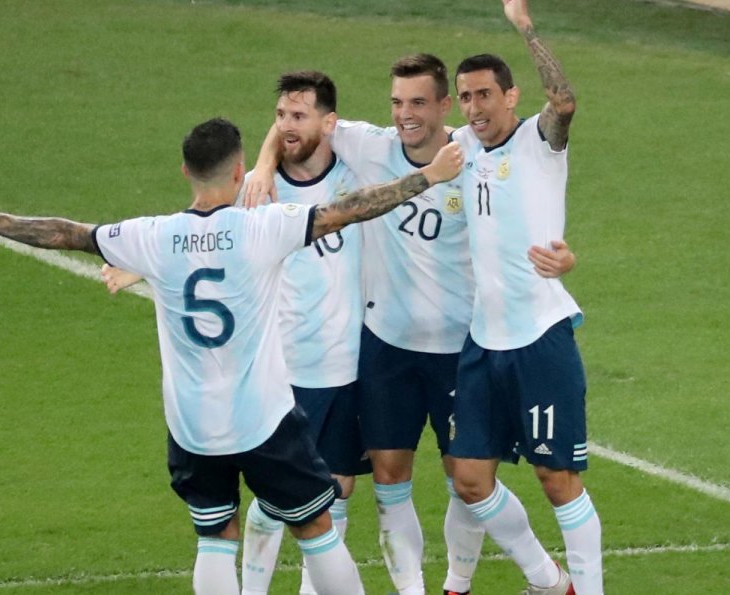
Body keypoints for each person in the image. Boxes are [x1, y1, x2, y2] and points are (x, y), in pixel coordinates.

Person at [0, 117, 464, 595]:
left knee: (216, 537)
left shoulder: (151, 236)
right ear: (240, 172)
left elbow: (66, 233)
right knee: (316, 529)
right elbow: (350, 209)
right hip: (262, 421)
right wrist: (428, 176)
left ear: (185, 171)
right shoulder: (262, 227)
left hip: (192, 426)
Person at [244, 53, 575, 595]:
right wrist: (262, 166)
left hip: (461, 347)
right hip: (386, 348)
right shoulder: (371, 146)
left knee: (468, 482)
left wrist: (563, 258)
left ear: (445, 106)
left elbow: (523, 211)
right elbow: (298, 120)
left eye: (418, 102)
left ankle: (536, 578)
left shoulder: (472, 151)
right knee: (388, 481)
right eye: (397, 102)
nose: (405, 114)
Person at [103, 72, 374, 595]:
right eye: (280, 117)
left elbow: (190, 240)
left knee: (310, 502)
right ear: (239, 168)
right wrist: (429, 176)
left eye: (298, 116)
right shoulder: (258, 197)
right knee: (309, 521)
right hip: (276, 379)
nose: (287, 125)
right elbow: (212, 239)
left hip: (330, 367)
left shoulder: (342, 169)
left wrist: (143, 265)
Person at [448, 0, 602, 595]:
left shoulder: (540, 141)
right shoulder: (458, 148)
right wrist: (269, 153)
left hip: (540, 335)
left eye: (485, 94)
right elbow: (386, 140)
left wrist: (526, 28)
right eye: (465, 96)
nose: (474, 107)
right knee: (468, 479)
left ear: (509, 97)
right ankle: (548, 580)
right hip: (483, 341)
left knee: (557, 480)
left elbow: (564, 102)